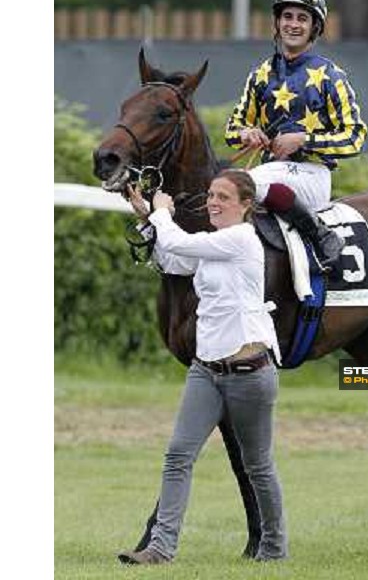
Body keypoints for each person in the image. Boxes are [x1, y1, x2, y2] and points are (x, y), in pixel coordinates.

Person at [118, 170, 288, 564]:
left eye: (224, 197)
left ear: (246, 206)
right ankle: (160, 548)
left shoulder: (242, 238)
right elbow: (173, 259)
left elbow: (177, 239)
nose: (213, 202)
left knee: (258, 465)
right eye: (211, 195)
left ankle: (275, 548)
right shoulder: (214, 246)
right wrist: (147, 218)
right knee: (178, 455)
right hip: (206, 370)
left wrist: (161, 213)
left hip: (251, 374)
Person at [225, 0, 368, 271]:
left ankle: (321, 235)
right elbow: (232, 128)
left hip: (312, 176)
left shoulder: (331, 75)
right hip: (269, 174)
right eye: (287, 16)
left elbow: (355, 137)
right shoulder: (260, 75)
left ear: (315, 28)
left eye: (302, 18)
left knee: (241, 183)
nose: (293, 24)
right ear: (277, 22)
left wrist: (303, 140)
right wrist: (246, 133)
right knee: (223, 186)